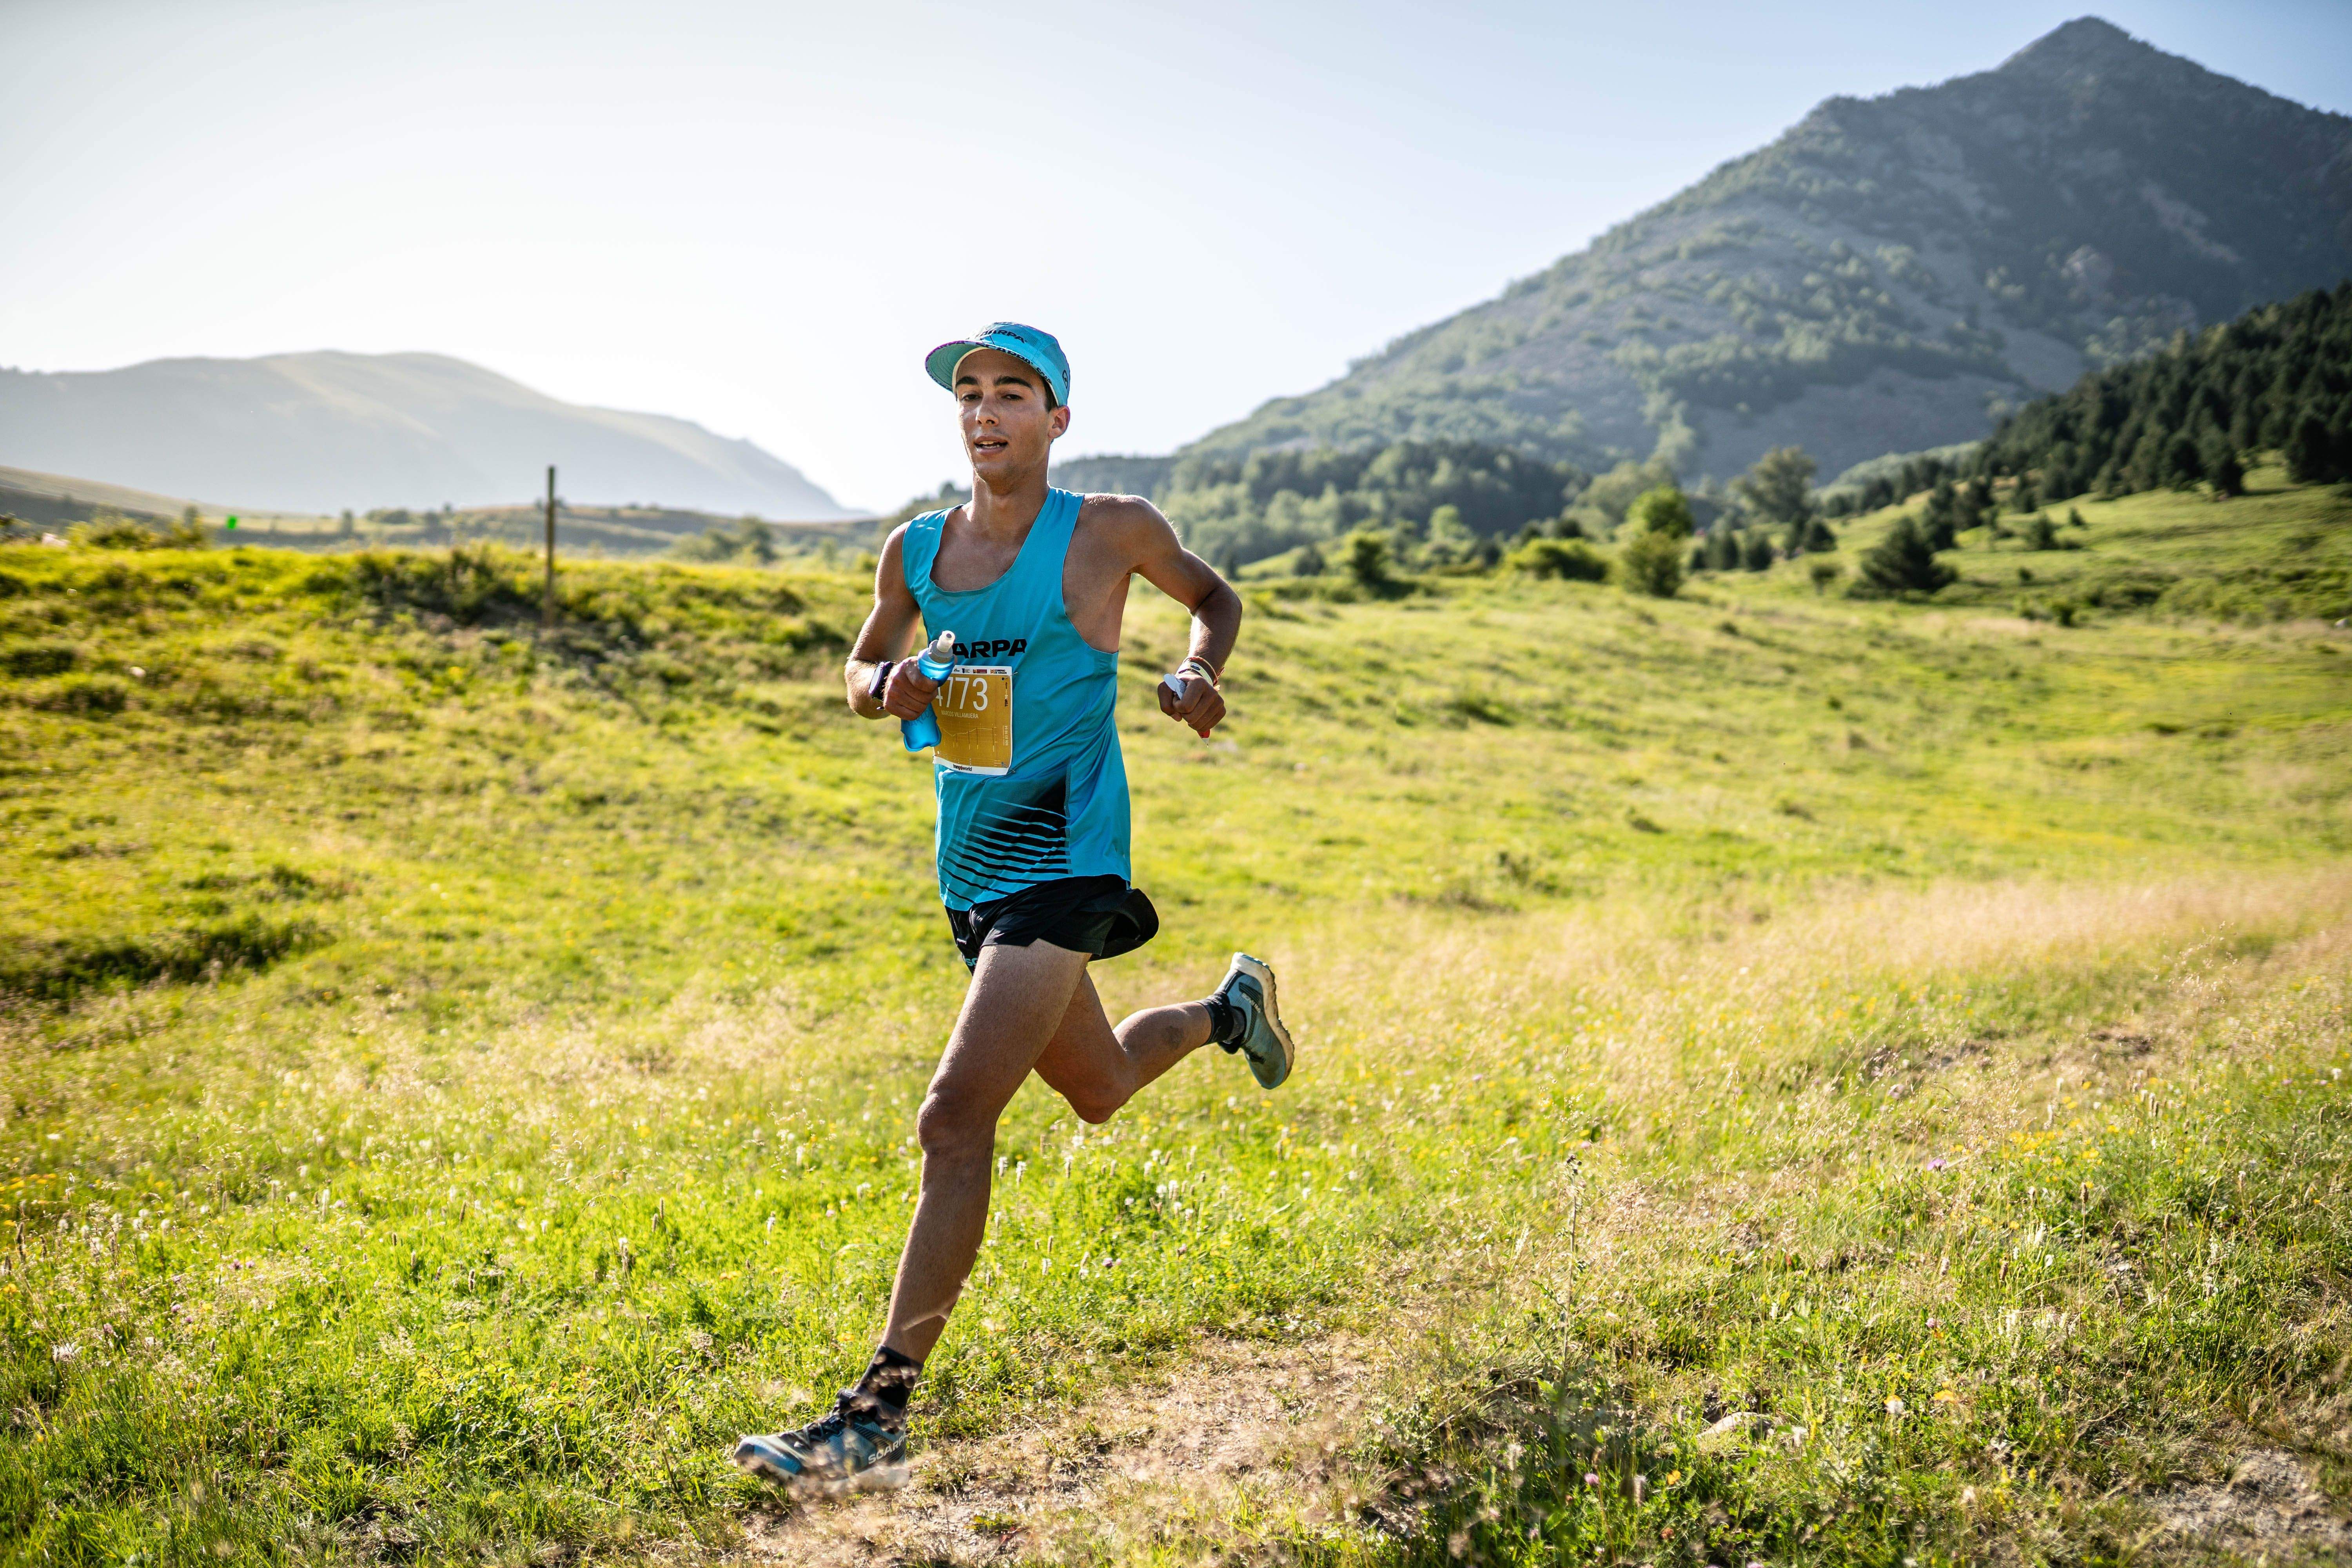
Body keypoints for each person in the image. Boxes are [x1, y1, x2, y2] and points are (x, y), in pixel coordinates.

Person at [734, 323, 1296, 1493]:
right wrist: (884, 685)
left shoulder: (1108, 531)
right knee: (1097, 1091)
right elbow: (857, 671)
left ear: (1056, 420)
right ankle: (1230, 1012)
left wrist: (1201, 672)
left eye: (1013, 393)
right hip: (974, 869)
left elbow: (1215, 596)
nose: (986, 411)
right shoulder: (917, 549)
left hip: (1071, 858)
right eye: (970, 394)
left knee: (953, 1118)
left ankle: (875, 1416)